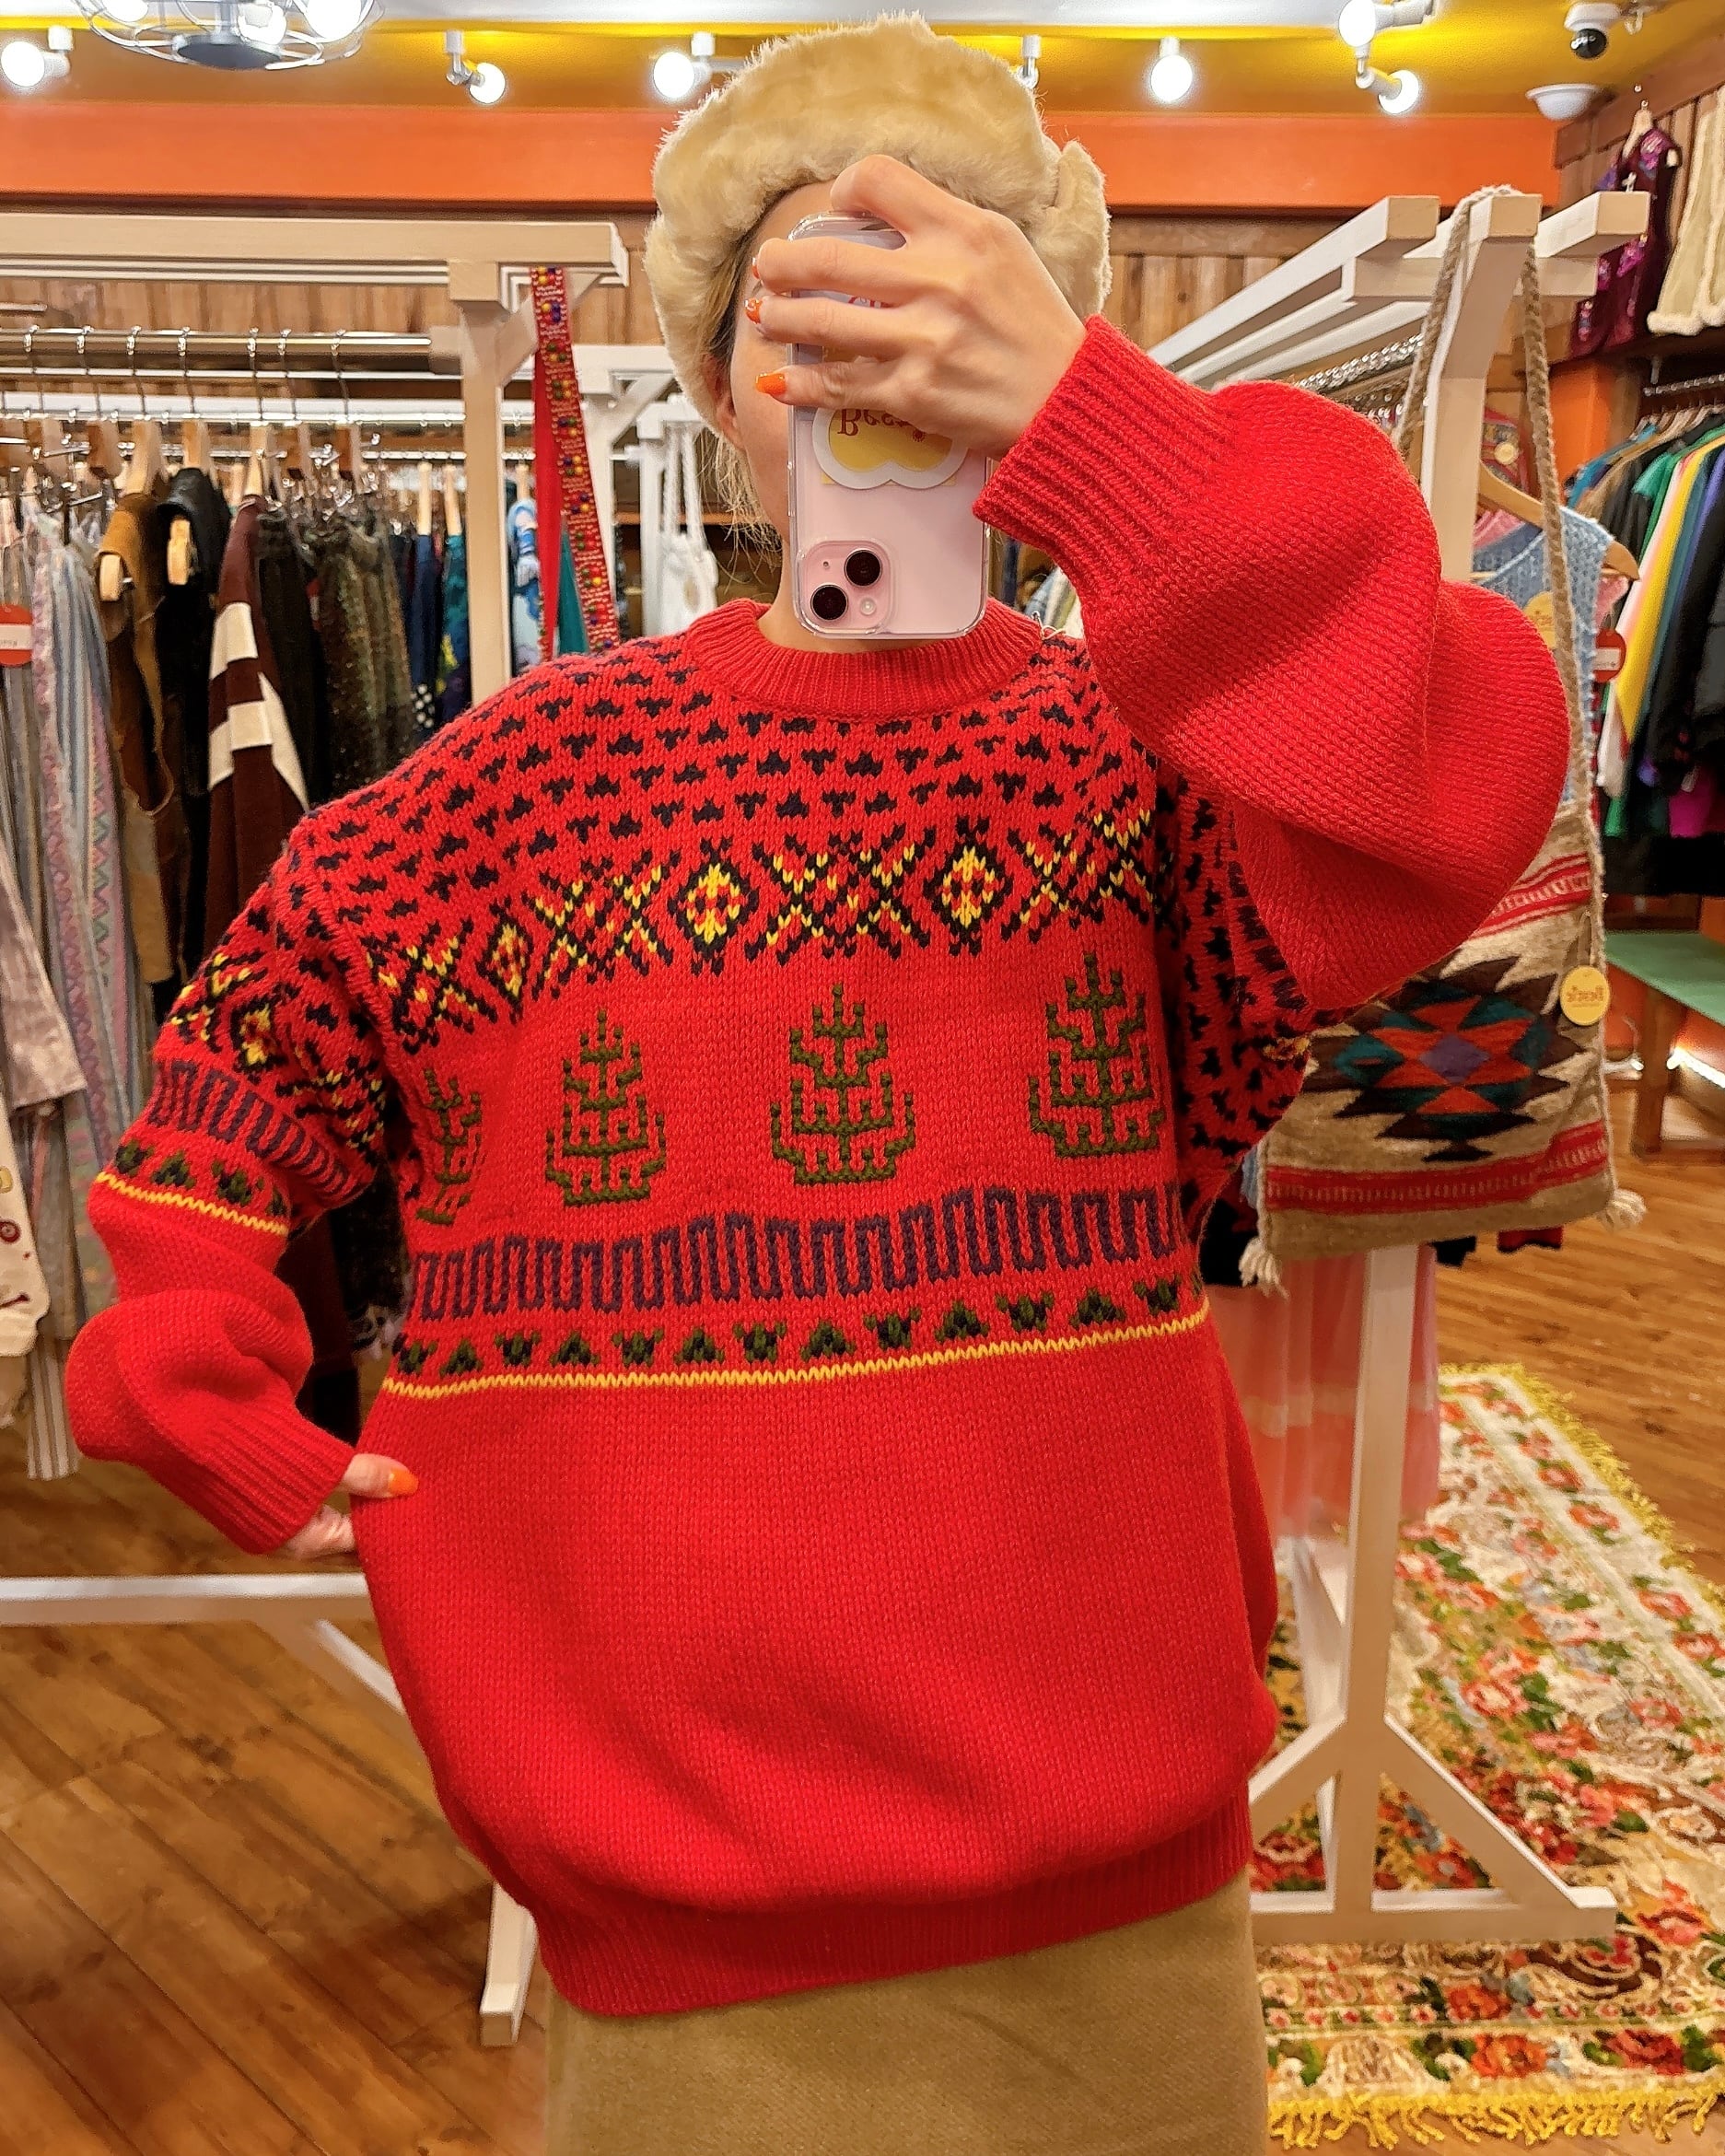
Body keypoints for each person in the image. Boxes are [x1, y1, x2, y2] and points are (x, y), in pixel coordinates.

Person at [66, 18, 1568, 2153]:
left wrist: (1101, 437)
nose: (873, 366)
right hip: (670, 1892)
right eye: (808, 308)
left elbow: (1456, 775)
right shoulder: (511, 790)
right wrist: (183, 1363)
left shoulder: (1152, 779)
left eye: (939, 299)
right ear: (711, 379)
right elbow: (234, 1070)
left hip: (1115, 1897)